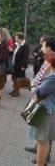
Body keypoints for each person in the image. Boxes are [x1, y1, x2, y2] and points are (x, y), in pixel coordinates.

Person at [25, 36, 55, 164]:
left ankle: (41, 161)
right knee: (42, 139)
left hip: (46, 110)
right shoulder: (50, 73)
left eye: (43, 45)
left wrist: (35, 90)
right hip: (45, 107)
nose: (45, 64)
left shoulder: (52, 76)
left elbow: (39, 92)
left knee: (44, 139)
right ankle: (41, 159)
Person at [9, 32, 30, 97]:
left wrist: (23, 66)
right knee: (14, 78)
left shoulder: (25, 46)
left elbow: (25, 57)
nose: (15, 39)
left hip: (20, 65)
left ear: (21, 39)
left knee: (18, 79)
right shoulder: (16, 45)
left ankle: (16, 92)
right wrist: (11, 51)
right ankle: (14, 89)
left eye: (16, 38)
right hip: (14, 64)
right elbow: (14, 54)